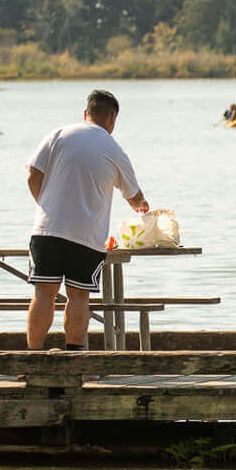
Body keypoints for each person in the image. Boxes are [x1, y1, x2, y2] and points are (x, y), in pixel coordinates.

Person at [24, 88, 148, 350]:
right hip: (87, 236)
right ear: (112, 119)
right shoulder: (115, 150)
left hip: (47, 230)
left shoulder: (58, 134)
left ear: (85, 113)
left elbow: (32, 174)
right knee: (79, 296)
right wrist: (143, 206)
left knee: (43, 293)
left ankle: (32, 358)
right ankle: (74, 359)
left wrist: (47, 205)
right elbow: (135, 198)